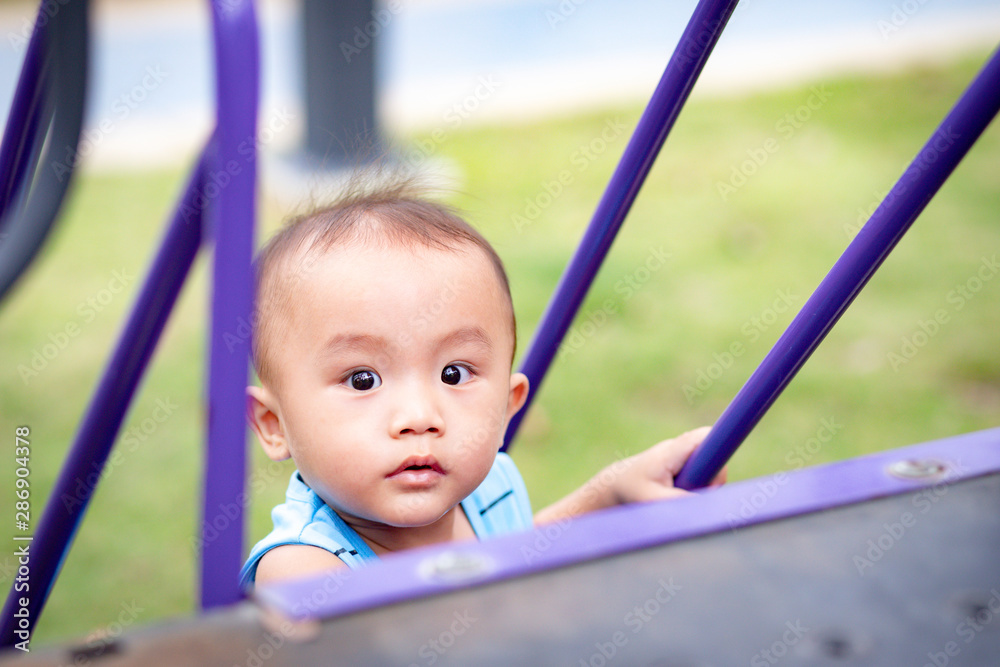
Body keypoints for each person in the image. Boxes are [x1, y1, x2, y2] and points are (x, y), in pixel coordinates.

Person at [240, 176, 723, 588]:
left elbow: (513, 563)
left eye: (454, 373)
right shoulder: (305, 572)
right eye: (363, 380)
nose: (419, 417)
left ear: (507, 406)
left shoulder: (489, 488)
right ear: (273, 423)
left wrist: (610, 493)